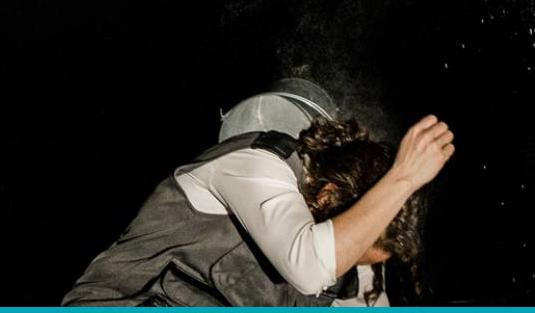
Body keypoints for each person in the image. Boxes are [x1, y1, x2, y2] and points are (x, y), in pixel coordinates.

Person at [62, 113, 454, 306]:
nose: (350, 263)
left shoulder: (353, 262)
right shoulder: (260, 163)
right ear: (327, 196)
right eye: (356, 250)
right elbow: (308, 264)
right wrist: (404, 177)